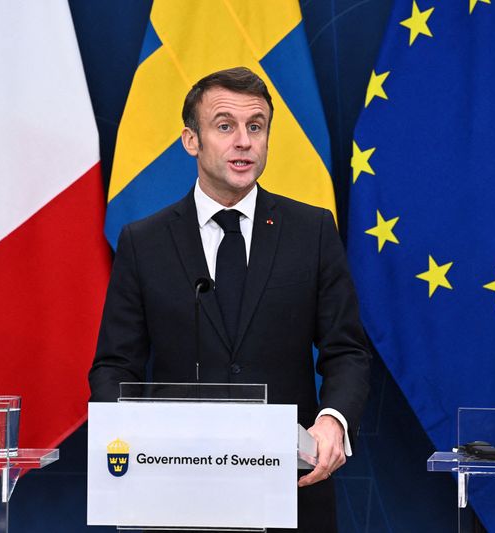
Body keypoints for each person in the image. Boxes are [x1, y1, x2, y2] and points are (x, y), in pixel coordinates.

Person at [89, 66, 372, 532]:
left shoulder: (312, 232)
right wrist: (122, 438)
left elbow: (347, 352)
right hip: (176, 489)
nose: (244, 141)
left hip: (289, 488)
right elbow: (115, 366)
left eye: (255, 126)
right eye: (225, 126)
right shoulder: (145, 242)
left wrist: (334, 421)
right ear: (191, 140)